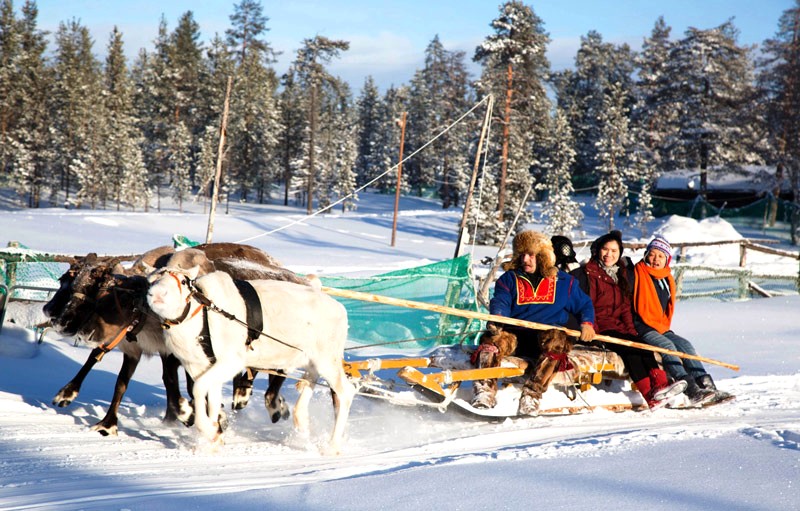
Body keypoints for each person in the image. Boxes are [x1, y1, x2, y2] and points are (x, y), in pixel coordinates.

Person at [474, 230, 596, 415]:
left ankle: (532, 395)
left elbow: (584, 304)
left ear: (543, 256)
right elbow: (501, 301)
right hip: (515, 334)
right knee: (490, 342)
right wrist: (497, 318)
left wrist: (587, 323)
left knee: (557, 341)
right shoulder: (509, 279)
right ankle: (484, 391)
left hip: (546, 339)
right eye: (521, 254)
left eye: (531, 255)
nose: (525, 259)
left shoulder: (565, 282)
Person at [571, 230, 686, 410]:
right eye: (605, 250)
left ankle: (661, 386)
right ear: (597, 250)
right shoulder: (587, 274)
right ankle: (650, 394)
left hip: (619, 326)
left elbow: (625, 307)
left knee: (641, 346)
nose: (609, 254)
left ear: (620, 254)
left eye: (614, 251)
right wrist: (590, 325)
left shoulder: (621, 274)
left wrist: (631, 330)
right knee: (630, 350)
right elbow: (584, 304)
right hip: (600, 328)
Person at [632, 235, 732, 406]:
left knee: (686, 346)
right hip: (641, 326)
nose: (656, 259)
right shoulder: (637, 273)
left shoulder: (666, 278)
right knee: (668, 347)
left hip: (660, 326)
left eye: (660, 256)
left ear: (667, 259)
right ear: (646, 254)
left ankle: (706, 385)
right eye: (652, 254)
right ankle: (690, 388)